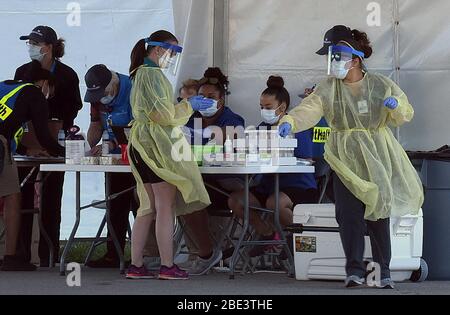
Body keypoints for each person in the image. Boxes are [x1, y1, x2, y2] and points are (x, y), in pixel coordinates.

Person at [278, 29, 424, 289]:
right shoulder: (327, 88)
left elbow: (405, 113)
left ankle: (383, 272)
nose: (333, 62)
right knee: (348, 214)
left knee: (378, 214)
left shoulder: (380, 85)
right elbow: (309, 109)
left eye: (337, 56)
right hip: (343, 157)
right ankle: (354, 271)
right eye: (331, 57)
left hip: (376, 157)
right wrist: (290, 120)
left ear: (355, 59)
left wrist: (396, 107)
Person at [125, 30, 213, 280]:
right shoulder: (151, 75)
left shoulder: (141, 74)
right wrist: (189, 105)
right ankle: (167, 265)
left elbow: (157, 112)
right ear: (157, 49)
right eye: (171, 52)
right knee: (165, 206)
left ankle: (137, 264)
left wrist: (186, 105)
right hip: (154, 147)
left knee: (147, 207)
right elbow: (162, 115)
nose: (172, 58)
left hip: (142, 146)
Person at [228, 76, 319, 258]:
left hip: (298, 184)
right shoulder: (262, 127)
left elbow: (307, 159)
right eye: (261, 107)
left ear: (282, 108)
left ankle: (304, 241)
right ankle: (267, 233)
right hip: (268, 184)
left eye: (268, 108)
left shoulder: (297, 126)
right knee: (236, 201)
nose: (264, 111)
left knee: (275, 203)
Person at [14, 25, 82, 267]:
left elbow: (74, 107)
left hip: (55, 140)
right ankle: (20, 253)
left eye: (36, 43)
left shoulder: (68, 74)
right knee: (21, 196)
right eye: (29, 42)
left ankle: (48, 255)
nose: (31, 47)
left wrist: (49, 107)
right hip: (27, 141)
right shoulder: (23, 71)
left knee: (52, 198)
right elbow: (15, 105)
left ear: (51, 46)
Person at [0, 61, 65, 271]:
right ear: (45, 83)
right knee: (12, 196)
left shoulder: (6, 87)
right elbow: (45, 137)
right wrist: (68, 154)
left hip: (6, 145)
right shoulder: (34, 94)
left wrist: (26, 151)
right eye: (51, 91)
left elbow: (8, 124)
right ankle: (10, 257)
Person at [180, 67, 245, 276]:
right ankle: (154, 256)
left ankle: (206, 254)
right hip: (198, 180)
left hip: (223, 185)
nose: (206, 100)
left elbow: (223, 140)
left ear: (222, 100)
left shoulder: (232, 119)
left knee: (190, 197)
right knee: (177, 195)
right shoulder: (190, 119)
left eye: (211, 97)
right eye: (202, 96)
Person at [84, 64, 137, 268]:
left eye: (103, 93)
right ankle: (113, 254)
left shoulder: (131, 89)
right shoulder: (96, 98)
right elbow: (94, 131)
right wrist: (93, 138)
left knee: (140, 204)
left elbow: (138, 127)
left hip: (138, 157)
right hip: (116, 161)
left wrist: (114, 142)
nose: (102, 97)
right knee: (115, 203)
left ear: (113, 83)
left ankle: (146, 254)